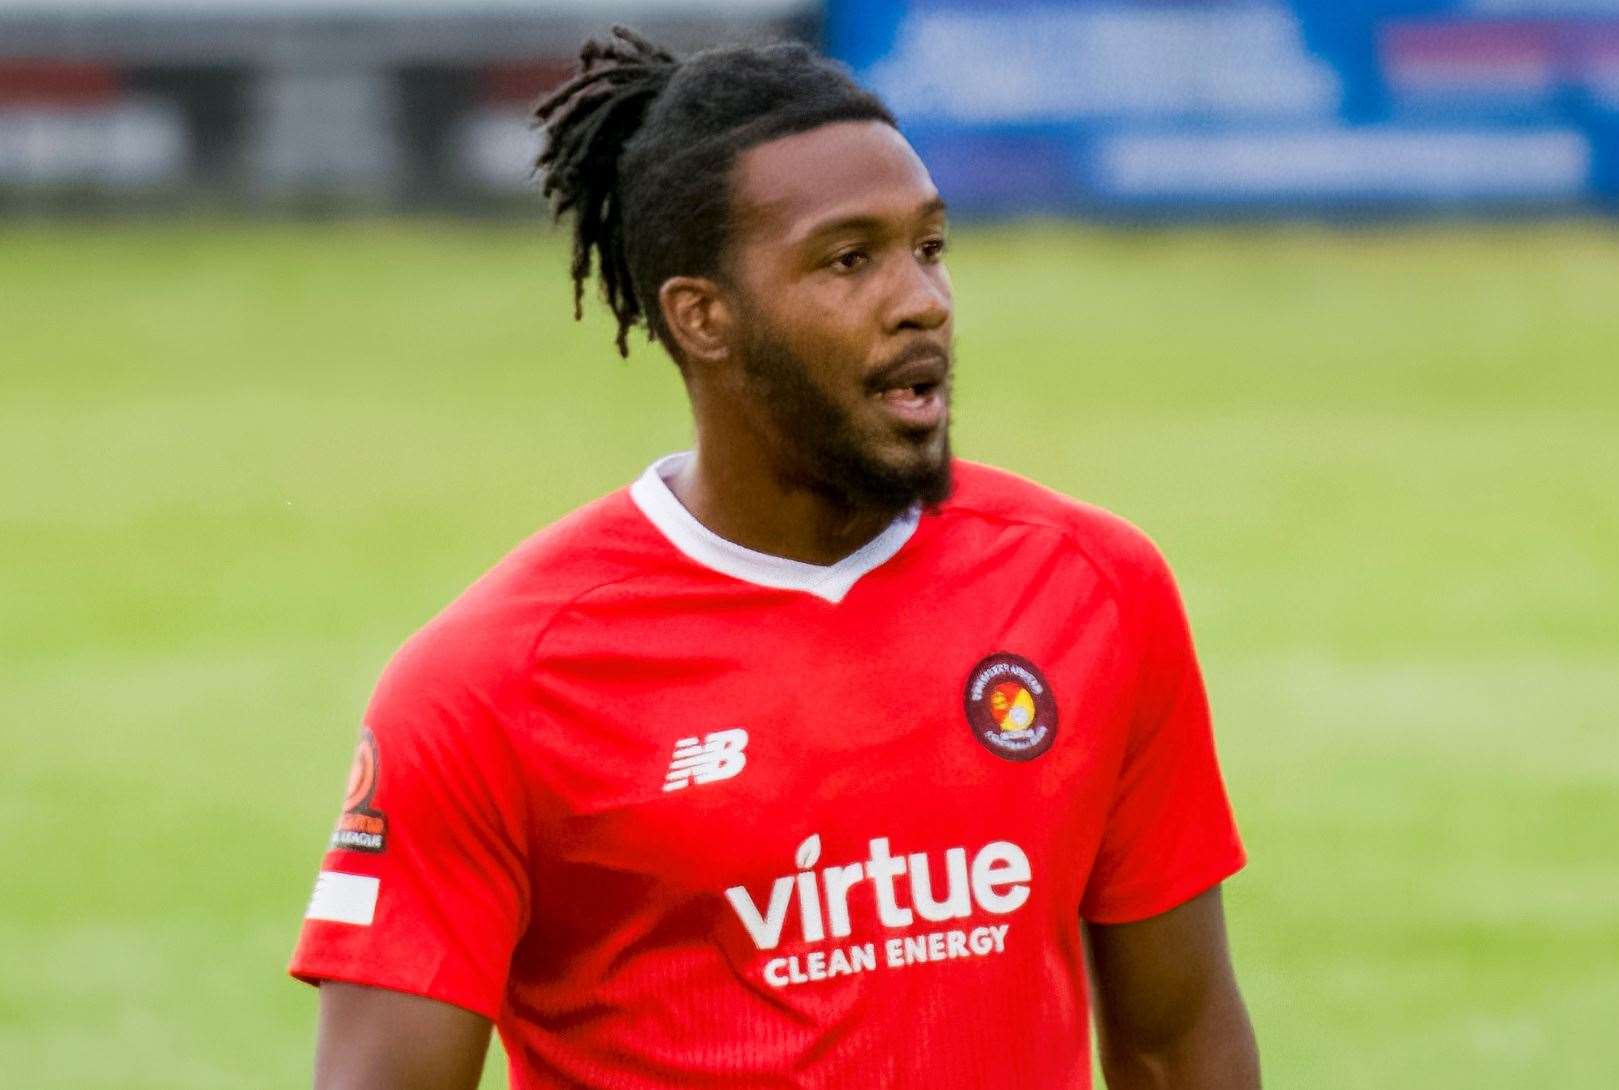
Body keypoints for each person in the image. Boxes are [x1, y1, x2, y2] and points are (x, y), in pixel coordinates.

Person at [290, 26, 1258, 1090]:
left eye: (928, 248)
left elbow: (1180, 1045)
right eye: (850, 259)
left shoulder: (1092, 591)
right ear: (704, 317)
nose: (922, 299)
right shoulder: (491, 685)